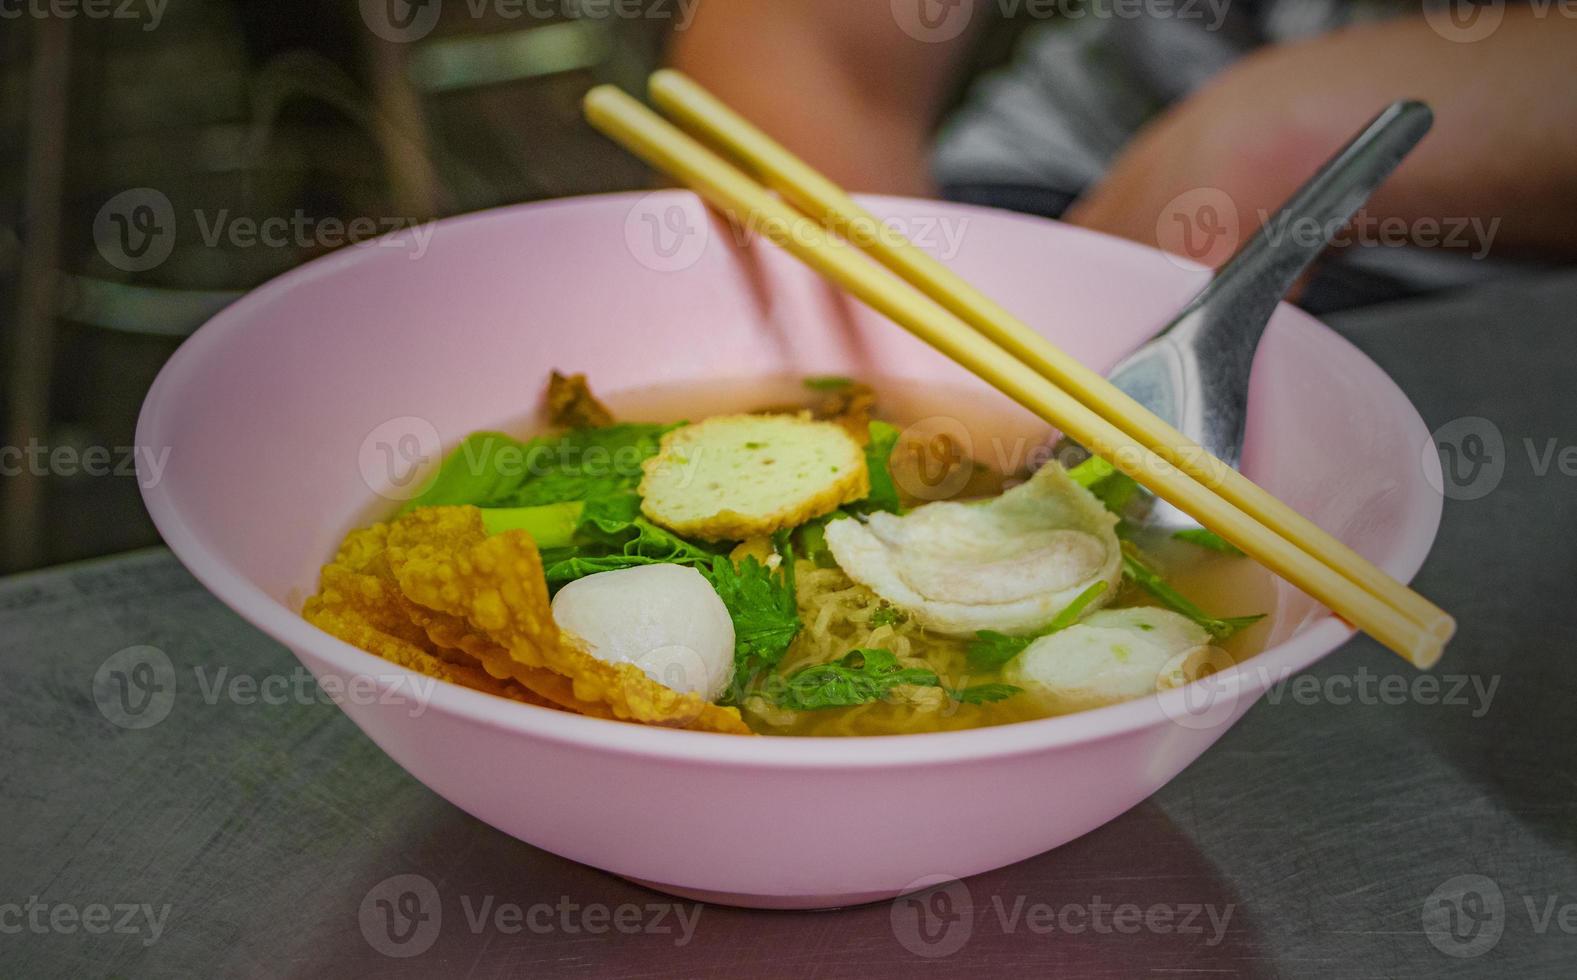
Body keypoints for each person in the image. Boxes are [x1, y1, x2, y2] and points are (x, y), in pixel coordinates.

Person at [669, 0, 1576, 309]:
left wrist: (1275, 132)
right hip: (1075, 167)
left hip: (1493, 286)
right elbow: (808, 42)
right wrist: (879, 350)